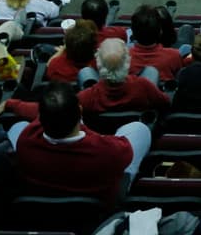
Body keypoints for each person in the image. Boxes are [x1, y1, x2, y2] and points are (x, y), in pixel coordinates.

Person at [11, 80, 151, 202]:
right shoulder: (109, 151)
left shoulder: (25, 142)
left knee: (18, 126)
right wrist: (88, 130)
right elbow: (121, 149)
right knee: (139, 129)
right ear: (79, 110)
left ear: (41, 118)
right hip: (99, 212)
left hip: (45, 203)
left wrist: (11, 104)